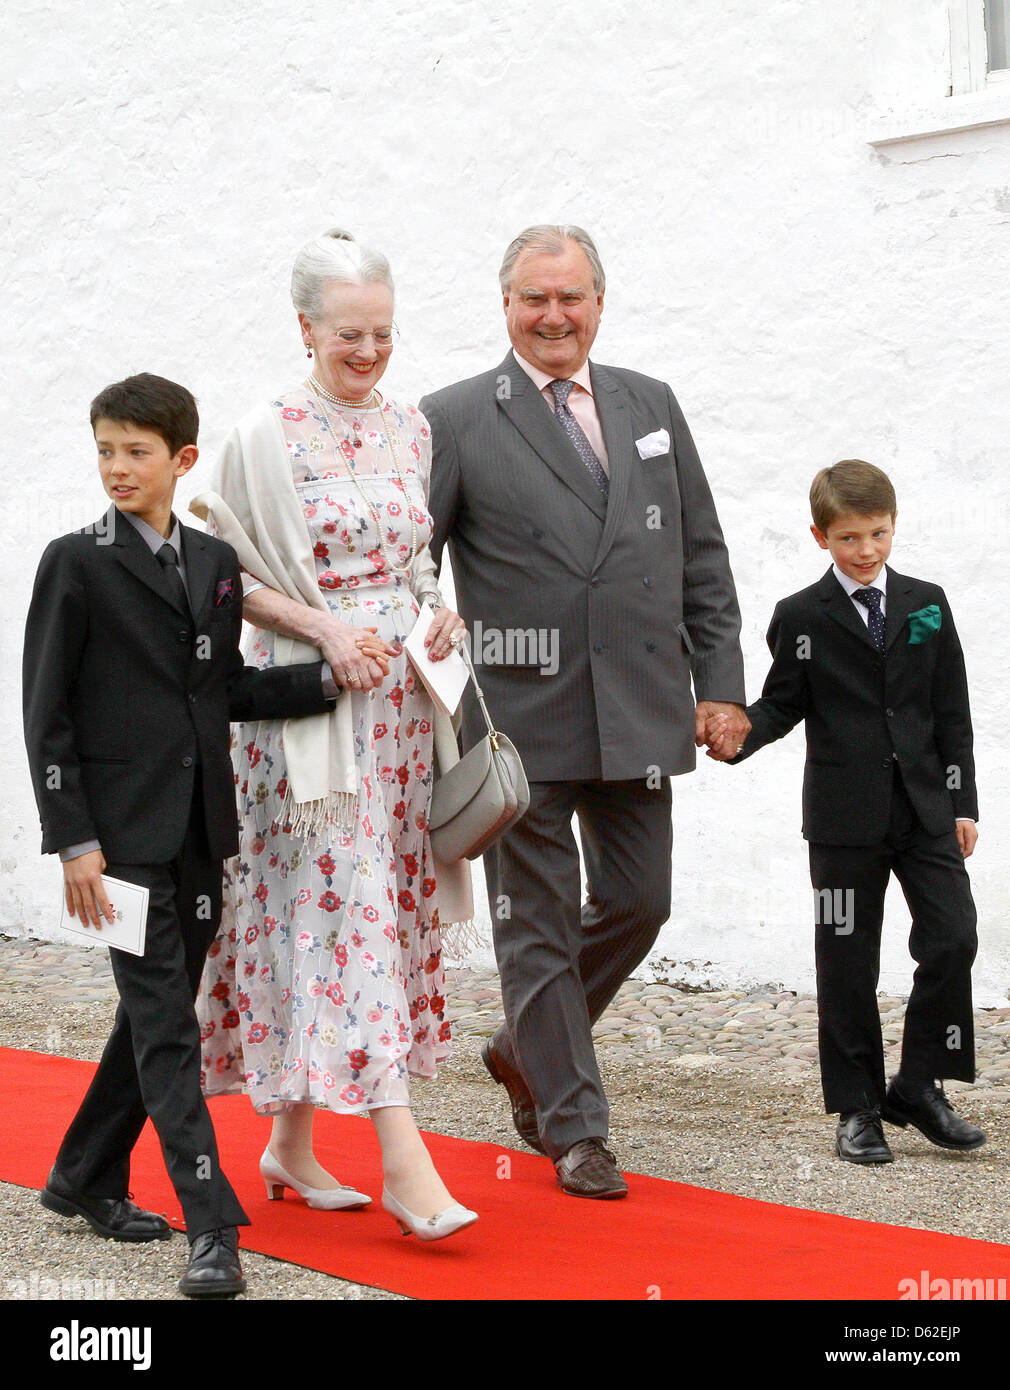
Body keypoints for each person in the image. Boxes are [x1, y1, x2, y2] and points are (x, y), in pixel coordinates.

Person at [419, 225, 749, 1197]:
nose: (553, 315)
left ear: (597, 301)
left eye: (569, 297)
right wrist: (421, 620)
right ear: (506, 305)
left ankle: (524, 1045)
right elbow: (409, 557)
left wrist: (718, 681)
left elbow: (699, 552)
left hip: (639, 705)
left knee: (641, 900)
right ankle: (573, 1126)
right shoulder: (459, 416)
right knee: (535, 921)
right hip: (518, 719)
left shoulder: (649, 404)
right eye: (533, 298)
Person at [23, 373, 341, 1297]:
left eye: (136, 451)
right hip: (113, 850)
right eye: (105, 450)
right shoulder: (73, 562)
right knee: (169, 1030)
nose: (116, 467)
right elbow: (46, 716)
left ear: (182, 460)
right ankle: (213, 1228)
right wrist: (73, 841)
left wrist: (328, 682)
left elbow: (224, 692)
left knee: (149, 1018)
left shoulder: (211, 565)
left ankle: (82, 1174)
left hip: (202, 838)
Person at [192, 228, 478, 1242]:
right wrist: (321, 627)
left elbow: (413, 564)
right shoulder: (259, 435)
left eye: (382, 334)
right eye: (347, 334)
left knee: (359, 918)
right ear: (304, 327)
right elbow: (220, 577)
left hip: (401, 713)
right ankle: (405, 1164)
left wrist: (433, 611)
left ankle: (289, 1147)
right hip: (306, 712)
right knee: (336, 911)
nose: (367, 351)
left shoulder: (411, 427)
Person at [706, 459, 984, 1163]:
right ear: (820, 536)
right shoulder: (802, 616)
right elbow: (783, 704)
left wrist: (963, 803)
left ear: (894, 526)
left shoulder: (927, 603)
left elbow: (951, 712)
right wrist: (738, 734)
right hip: (841, 822)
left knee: (953, 938)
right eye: (850, 538)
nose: (866, 551)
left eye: (879, 534)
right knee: (847, 959)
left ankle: (919, 1085)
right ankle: (857, 1108)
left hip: (925, 811)